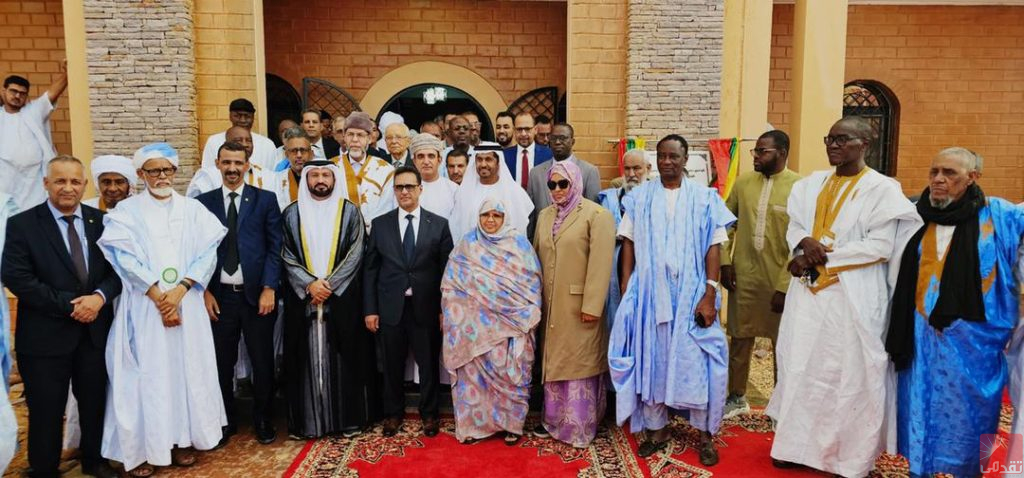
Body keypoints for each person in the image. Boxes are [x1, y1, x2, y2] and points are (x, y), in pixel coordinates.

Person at [766, 117, 921, 477]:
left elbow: (881, 246)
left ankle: (847, 458)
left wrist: (823, 257)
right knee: (799, 365)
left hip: (854, 296)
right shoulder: (810, 184)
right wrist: (803, 244)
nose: (833, 145)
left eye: (842, 139)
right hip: (809, 294)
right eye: (829, 138)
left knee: (850, 374)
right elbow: (797, 225)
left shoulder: (883, 190)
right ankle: (793, 444)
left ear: (865, 143)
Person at [887, 148, 1024, 476]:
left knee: (975, 415)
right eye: (934, 171)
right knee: (918, 406)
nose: (938, 180)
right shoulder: (916, 215)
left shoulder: (1001, 216)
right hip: (919, 339)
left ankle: (971, 470)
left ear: (973, 178)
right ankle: (919, 468)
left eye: (949, 173)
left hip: (975, 345)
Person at [97, 143, 227, 476]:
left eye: (167, 170)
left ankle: (183, 440)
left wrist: (181, 290)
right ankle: (146, 447)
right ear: (140, 175)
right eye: (153, 171)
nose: (161, 176)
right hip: (144, 307)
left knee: (187, 370)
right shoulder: (125, 213)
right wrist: (158, 295)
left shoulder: (194, 210)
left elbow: (208, 253)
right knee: (149, 376)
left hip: (188, 303)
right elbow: (124, 259)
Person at [608, 134, 735, 465]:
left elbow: (714, 246)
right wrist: (627, 291)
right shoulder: (640, 198)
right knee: (654, 361)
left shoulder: (705, 198)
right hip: (650, 294)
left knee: (701, 362)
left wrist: (709, 293)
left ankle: (706, 434)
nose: (667, 162)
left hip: (692, 295)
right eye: (662, 156)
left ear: (685, 158)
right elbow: (629, 244)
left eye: (673, 156)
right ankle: (656, 430)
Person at [3, 156, 122, 478]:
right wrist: (71, 306)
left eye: (74, 182)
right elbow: (17, 277)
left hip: (94, 335)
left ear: (84, 185)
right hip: (44, 338)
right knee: (46, 409)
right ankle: (44, 469)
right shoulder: (23, 225)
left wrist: (98, 299)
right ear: (46, 184)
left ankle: (94, 461)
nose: (67, 188)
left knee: (94, 404)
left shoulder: (104, 222)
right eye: (60, 181)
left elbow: (117, 271)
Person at [281, 161, 379, 439]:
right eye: (315, 175)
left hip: (342, 299)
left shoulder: (350, 212)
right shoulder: (291, 214)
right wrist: (309, 284)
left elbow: (357, 251)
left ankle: (347, 420)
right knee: (304, 361)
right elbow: (286, 254)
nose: (321, 180)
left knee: (345, 357)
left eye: (326, 175)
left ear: (334, 179)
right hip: (305, 301)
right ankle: (308, 424)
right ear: (306, 179)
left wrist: (330, 285)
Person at [196, 141, 284, 447]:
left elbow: (275, 247)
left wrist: (269, 288)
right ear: (218, 164)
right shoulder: (203, 203)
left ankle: (262, 419)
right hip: (220, 297)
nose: (232, 168)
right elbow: (198, 251)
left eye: (238, 163)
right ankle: (225, 421)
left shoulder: (265, 200)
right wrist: (204, 292)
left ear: (248, 165)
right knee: (221, 363)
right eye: (226, 163)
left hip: (258, 296)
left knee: (262, 362)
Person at [442, 198, 542, 445]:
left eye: (496, 215)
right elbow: (451, 285)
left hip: (511, 327)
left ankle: (512, 426)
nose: (490, 220)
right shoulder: (467, 244)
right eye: (485, 214)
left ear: (504, 218)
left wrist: (519, 315)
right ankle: (476, 426)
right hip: (474, 330)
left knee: (511, 373)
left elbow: (532, 285)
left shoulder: (519, 244)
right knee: (474, 378)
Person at [363, 166, 454, 437]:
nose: (404, 192)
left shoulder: (438, 224)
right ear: (394, 191)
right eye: (400, 187)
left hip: (426, 308)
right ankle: (393, 414)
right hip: (390, 308)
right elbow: (370, 271)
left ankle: (429, 414)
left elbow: (446, 273)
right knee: (391, 365)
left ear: (420, 189)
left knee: (428, 365)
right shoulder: (380, 225)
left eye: (409, 187)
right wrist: (370, 310)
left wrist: (443, 309)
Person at [719, 130, 801, 418]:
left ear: (781, 152)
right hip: (744, 274)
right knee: (739, 336)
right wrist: (724, 262)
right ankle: (736, 395)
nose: (755, 156)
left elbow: (800, 242)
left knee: (783, 343)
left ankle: (781, 405)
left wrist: (785, 286)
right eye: (755, 151)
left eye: (762, 151)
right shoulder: (743, 183)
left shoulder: (799, 187)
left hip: (780, 276)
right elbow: (724, 223)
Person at [533, 161, 615, 448]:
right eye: (552, 185)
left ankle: (579, 427)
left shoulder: (596, 215)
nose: (557, 190)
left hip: (580, 306)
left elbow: (602, 263)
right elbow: (536, 258)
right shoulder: (545, 215)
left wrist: (592, 305)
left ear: (576, 183)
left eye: (562, 184)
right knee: (554, 360)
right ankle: (552, 421)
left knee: (579, 362)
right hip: (550, 303)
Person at [0, 64, 68, 211]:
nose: (17, 96)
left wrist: (67, 72)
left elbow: (52, 93)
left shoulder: (34, 111)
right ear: (3, 90)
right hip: (4, 181)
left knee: (34, 222)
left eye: (22, 93)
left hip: (33, 184)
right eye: (13, 91)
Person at [596, 149, 651, 326]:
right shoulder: (608, 198)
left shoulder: (656, 198)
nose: (631, 174)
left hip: (645, 265)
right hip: (615, 265)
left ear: (648, 169)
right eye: (627, 169)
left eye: (637, 168)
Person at [450, 142, 533, 243]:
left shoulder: (514, 192)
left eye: (488, 159)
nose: (483, 164)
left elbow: (521, 226)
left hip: (504, 253)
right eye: (479, 160)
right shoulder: (463, 192)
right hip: (472, 253)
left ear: (498, 163)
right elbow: (457, 227)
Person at [336, 112, 397, 227]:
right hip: (339, 233)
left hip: (375, 233)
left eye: (360, 135)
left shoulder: (385, 170)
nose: (355, 140)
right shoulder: (331, 168)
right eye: (350, 134)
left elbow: (387, 206)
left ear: (369, 139)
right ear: (344, 137)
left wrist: (363, 227)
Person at [526, 122, 601, 212]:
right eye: (554, 138)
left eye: (563, 138)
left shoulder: (589, 171)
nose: (557, 142)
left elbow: (593, 211)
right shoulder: (536, 173)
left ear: (572, 142)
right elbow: (531, 214)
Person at [188, 126, 268, 198]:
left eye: (248, 141)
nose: (245, 144)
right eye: (239, 140)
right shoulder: (207, 175)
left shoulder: (266, 175)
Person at [199, 98, 277, 170]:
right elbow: (208, 171)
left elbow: (273, 174)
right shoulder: (214, 141)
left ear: (253, 118)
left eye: (247, 116)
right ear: (230, 116)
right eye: (237, 116)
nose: (242, 120)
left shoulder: (267, 144)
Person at [269, 126, 314, 210]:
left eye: (303, 150)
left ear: (311, 154)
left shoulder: (320, 178)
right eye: (294, 151)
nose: (299, 155)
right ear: (286, 155)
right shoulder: (276, 180)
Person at [503, 112, 553, 187]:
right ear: (514, 131)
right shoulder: (504, 156)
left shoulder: (549, 155)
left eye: (527, 129)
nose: (523, 134)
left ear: (535, 130)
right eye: (519, 129)